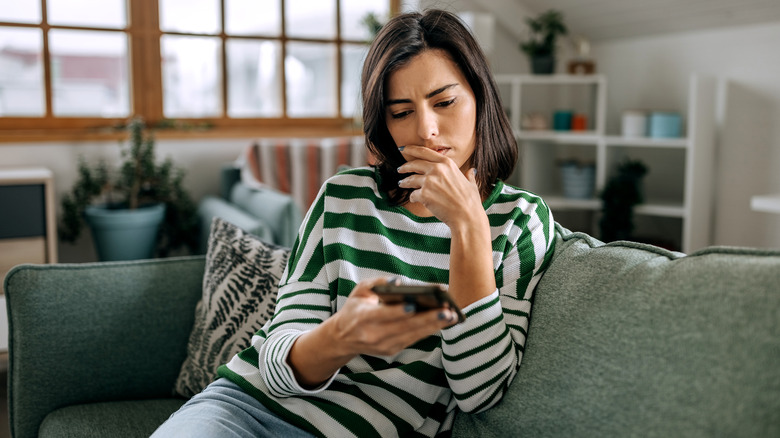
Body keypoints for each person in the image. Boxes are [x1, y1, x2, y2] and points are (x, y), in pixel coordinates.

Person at [152, 8, 555, 438]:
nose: (426, 130)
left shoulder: (520, 222)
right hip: (244, 412)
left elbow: (480, 392)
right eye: (401, 112)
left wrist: (469, 226)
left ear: (480, 98)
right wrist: (343, 336)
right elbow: (275, 367)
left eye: (444, 102)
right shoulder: (343, 197)